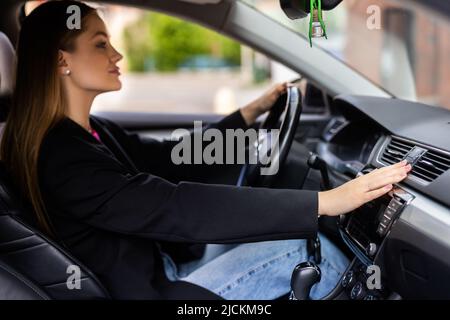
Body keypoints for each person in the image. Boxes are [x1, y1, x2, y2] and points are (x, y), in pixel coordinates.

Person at [0, 1, 411, 300]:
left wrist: (247, 114)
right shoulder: (61, 157)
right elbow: (172, 207)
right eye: (100, 44)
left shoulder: (89, 131)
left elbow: (171, 157)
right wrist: (324, 201)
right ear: (61, 62)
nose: (117, 54)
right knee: (313, 254)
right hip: (151, 290)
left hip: (159, 267)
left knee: (289, 235)